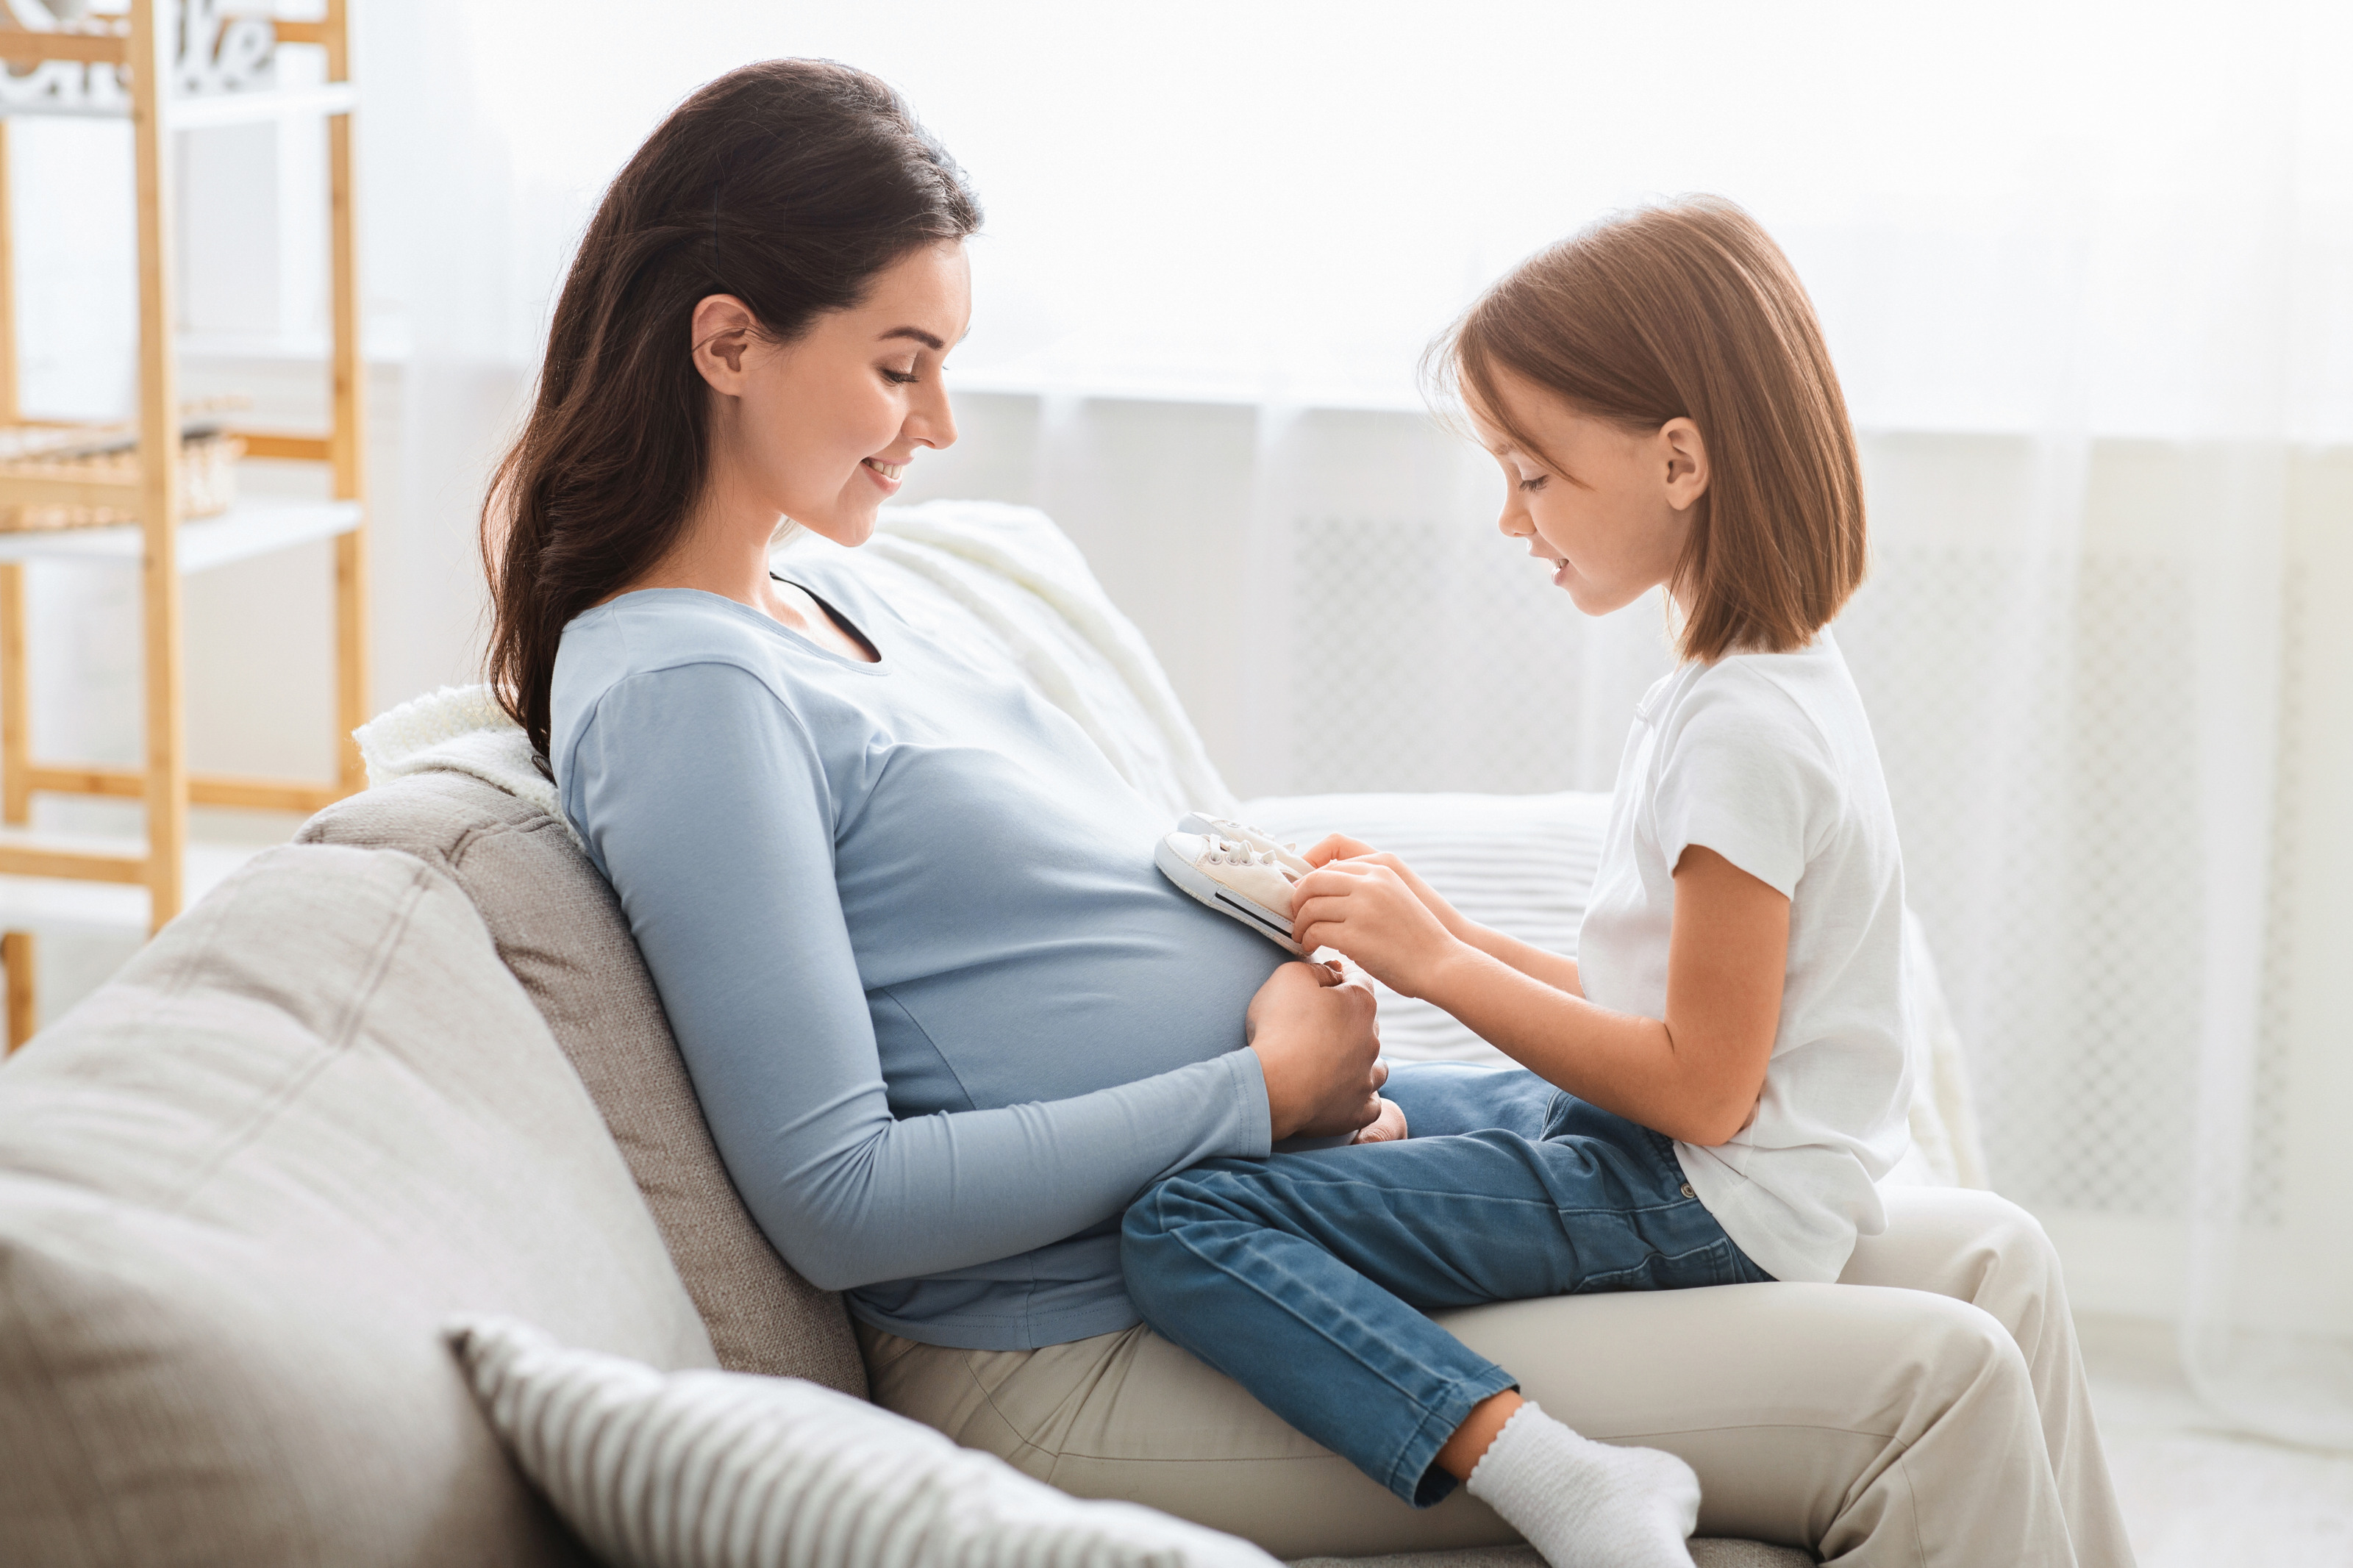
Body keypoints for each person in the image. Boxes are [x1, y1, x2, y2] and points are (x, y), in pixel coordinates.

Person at [482, 61, 2133, 1567]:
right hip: (1100, 1318)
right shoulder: (685, 694)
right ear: (724, 344)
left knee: (1994, 1257)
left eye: (947, 366)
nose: (939, 425)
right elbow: (835, 1193)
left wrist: (1355, 1016)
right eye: (898, 367)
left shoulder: (847, 600)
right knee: (1937, 1380)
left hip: (1306, 1184)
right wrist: (1253, 1091)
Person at [1121, 199, 1939, 1568]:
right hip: (1680, 1155)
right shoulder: (1748, 683)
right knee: (1332, 1111)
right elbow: (1666, 1009)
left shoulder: (1742, 732)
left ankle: (1566, 1479)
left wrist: (1437, 970)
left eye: (1534, 471)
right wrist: (1441, 928)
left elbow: (1699, 1085)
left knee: (1183, 1218)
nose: (1509, 515)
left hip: (1702, 1197)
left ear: (1680, 458)